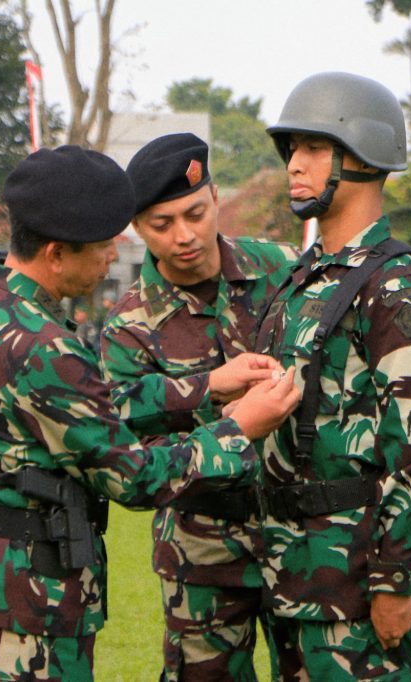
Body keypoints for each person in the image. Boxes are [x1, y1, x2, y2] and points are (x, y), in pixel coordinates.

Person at [0, 145, 301, 682]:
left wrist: (204, 387)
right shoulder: (45, 346)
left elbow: (92, 405)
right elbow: (132, 475)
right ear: (56, 253)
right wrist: (238, 427)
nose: (111, 261)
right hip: (28, 598)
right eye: (103, 248)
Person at [255, 72, 411, 679]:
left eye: (315, 147)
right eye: (292, 147)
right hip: (292, 571)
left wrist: (396, 581)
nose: (295, 162)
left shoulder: (400, 288)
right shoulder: (304, 278)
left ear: (364, 158)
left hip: (358, 581)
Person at [100, 132, 299, 681]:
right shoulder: (128, 328)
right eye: (162, 225)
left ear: (214, 197)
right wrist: (209, 386)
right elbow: (123, 436)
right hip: (201, 545)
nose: (185, 236)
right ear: (137, 229)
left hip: (302, 534)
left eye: (196, 213)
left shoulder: (285, 270)